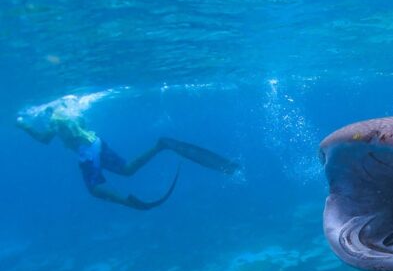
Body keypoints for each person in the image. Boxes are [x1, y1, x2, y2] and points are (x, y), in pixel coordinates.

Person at [15, 92, 239, 210]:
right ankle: (160, 146)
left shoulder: (55, 119)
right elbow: (81, 127)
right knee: (127, 170)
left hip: (86, 152)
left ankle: (126, 201)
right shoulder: (73, 112)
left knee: (94, 188)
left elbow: (43, 140)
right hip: (97, 143)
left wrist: (24, 126)